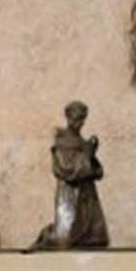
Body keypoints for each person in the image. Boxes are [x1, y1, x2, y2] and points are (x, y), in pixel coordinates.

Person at [32, 101, 110, 249]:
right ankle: (47, 236)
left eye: (82, 119)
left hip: (86, 194)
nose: (79, 123)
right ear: (68, 118)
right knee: (63, 239)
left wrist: (91, 156)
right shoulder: (61, 140)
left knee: (96, 237)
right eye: (76, 118)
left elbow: (93, 168)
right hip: (69, 195)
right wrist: (87, 155)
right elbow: (65, 169)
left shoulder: (81, 140)